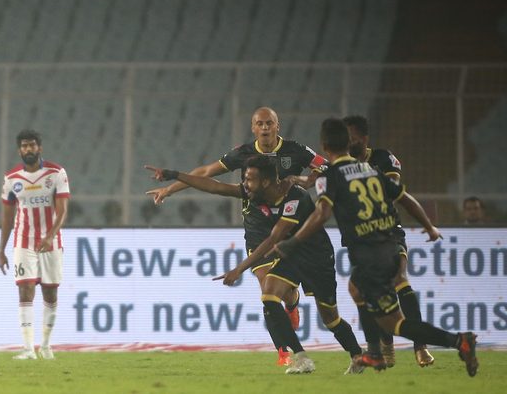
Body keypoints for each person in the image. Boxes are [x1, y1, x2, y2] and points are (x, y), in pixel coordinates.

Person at [268, 118, 479, 377]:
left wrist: (293, 241)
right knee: (356, 288)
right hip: (389, 247)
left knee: (395, 322)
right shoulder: (371, 170)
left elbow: (322, 213)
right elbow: (405, 198)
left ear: (324, 147)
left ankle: (457, 341)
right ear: (348, 143)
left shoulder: (330, 176)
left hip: (370, 255)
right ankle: (377, 352)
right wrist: (429, 226)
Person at [145, 156, 363, 375]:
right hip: (291, 256)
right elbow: (214, 186)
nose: (245, 184)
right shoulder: (256, 193)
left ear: (266, 182)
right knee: (269, 296)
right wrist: (174, 175)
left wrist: (238, 269)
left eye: (249, 179)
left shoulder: (295, 197)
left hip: (317, 259)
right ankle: (301, 357)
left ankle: (357, 355)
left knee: (330, 320)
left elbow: (274, 238)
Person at [145, 107, 326, 362]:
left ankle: (292, 302)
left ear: (278, 126)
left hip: (289, 227)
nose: (265, 128)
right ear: (253, 128)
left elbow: (325, 166)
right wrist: (170, 189)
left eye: (269, 123)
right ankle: (283, 352)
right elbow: (206, 175)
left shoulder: (295, 150)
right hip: (258, 228)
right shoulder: (243, 153)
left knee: (285, 292)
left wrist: (308, 180)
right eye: (260, 123)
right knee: (267, 289)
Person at [343, 115, 433, 367]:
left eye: (352, 137)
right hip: (361, 239)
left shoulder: (383, 158)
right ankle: (384, 344)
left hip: (388, 232)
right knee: (365, 291)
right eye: (345, 138)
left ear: (364, 138)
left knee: (399, 279)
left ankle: (420, 346)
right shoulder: (340, 166)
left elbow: (392, 191)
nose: (348, 142)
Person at [0, 129, 70, 360]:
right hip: (24, 241)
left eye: (32, 145)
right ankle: (28, 348)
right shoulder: (12, 179)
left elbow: (62, 211)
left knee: (50, 292)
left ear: (39, 147)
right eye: (24, 146)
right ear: (19, 150)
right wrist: (1, 249)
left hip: (51, 242)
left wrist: (50, 236)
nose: (28, 149)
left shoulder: (56, 173)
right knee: (25, 289)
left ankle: (46, 345)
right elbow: (7, 217)